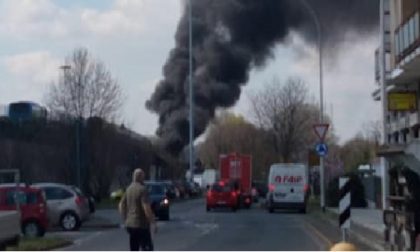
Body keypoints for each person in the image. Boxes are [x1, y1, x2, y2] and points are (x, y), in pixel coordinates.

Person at [119, 168, 157, 251]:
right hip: (141, 224)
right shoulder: (142, 190)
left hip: (130, 224)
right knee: (147, 248)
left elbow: (121, 205)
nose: (144, 179)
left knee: (134, 247)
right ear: (140, 177)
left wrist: (125, 218)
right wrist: (152, 221)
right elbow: (146, 208)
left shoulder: (128, 189)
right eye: (143, 177)